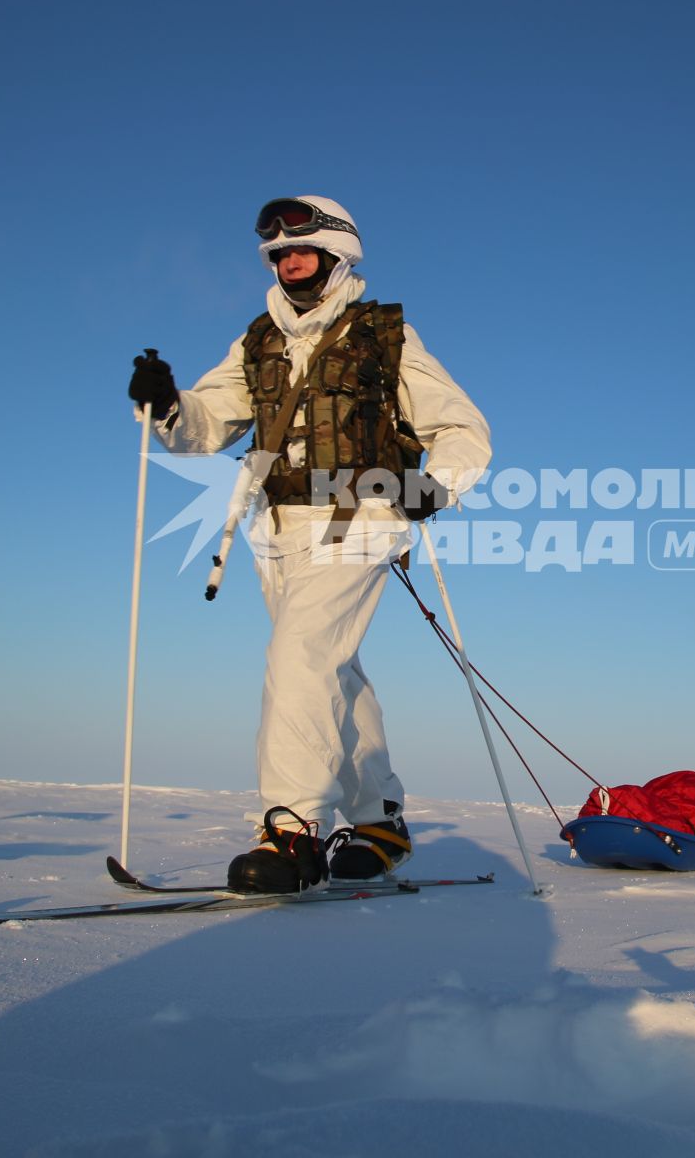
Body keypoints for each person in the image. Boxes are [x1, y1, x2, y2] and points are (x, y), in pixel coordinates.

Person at [126, 196, 491, 892]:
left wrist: (434, 489)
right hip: (277, 526)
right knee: (330, 671)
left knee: (300, 656)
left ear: (338, 255)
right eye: (279, 253)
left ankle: (293, 829)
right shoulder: (256, 340)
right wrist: (167, 401)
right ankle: (380, 820)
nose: (289, 261)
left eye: (304, 250)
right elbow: (205, 424)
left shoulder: (384, 336)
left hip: (361, 518)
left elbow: (464, 430)